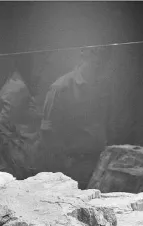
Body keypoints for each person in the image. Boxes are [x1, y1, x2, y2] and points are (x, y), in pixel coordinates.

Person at [38, 47, 112, 188]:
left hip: (98, 165)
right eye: (95, 52)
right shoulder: (60, 87)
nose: (99, 59)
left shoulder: (103, 86)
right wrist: (64, 165)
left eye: (104, 54)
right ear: (83, 53)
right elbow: (47, 132)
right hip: (71, 168)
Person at [0, 55, 42, 179]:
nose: (42, 71)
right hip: (17, 161)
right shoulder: (18, 88)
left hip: (19, 158)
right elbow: (0, 131)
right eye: (43, 64)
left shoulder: (20, 85)